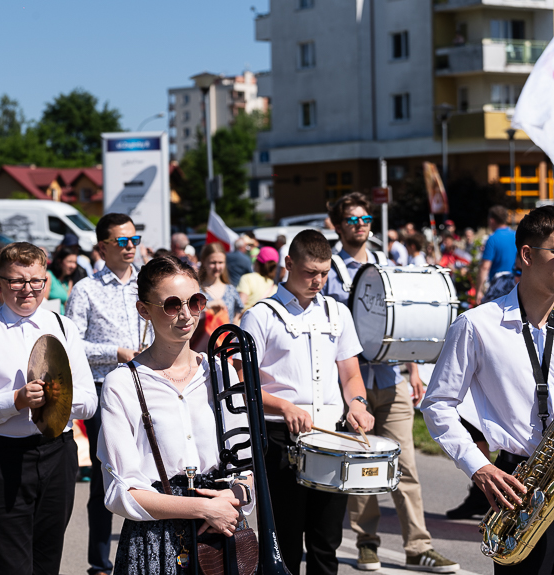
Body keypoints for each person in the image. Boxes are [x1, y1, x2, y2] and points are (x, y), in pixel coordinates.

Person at [323, 192, 459, 573]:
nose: (361, 224)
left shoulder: (386, 262)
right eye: (352, 219)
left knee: (406, 465)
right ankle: (367, 542)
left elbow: (402, 320)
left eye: (365, 217)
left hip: (391, 376)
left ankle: (419, 546)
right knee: (361, 464)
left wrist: (414, 367)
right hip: (351, 386)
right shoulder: (331, 270)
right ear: (337, 225)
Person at [97, 254, 254, 575]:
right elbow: (121, 491)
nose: (186, 314)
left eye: (195, 301)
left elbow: (249, 467)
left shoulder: (221, 372)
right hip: (156, 537)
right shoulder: (123, 383)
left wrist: (232, 497)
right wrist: (202, 508)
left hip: (222, 529)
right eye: (171, 304)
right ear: (144, 310)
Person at [421, 205, 554, 574]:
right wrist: (477, 466)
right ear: (527, 255)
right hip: (521, 487)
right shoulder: (476, 325)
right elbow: (437, 405)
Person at [236, 229, 374, 575]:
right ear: (288, 264)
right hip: (280, 438)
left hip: (330, 437)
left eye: (324, 273)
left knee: (326, 542)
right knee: (283, 542)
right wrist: (283, 406)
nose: (318, 281)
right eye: (310, 272)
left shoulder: (338, 312)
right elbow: (240, 382)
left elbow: (351, 375)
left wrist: (357, 403)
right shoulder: (260, 316)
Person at [0, 242, 97, 575]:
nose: (28, 289)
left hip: (57, 453)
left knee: (47, 562)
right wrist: (15, 400)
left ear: (46, 280)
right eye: (17, 281)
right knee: (9, 565)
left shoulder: (64, 327)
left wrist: (58, 398)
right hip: (0, 458)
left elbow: (89, 402)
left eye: (36, 281)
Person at [66, 213, 152, 575]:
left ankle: (152, 551)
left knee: (151, 469)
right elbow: (71, 345)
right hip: (105, 388)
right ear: (102, 247)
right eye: (122, 241)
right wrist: (114, 352)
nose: (130, 246)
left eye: (134, 239)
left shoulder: (147, 284)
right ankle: (100, 561)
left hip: (148, 385)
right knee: (109, 472)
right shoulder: (86, 289)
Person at [476, 205, 517, 302]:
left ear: (492, 220)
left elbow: (485, 267)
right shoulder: (516, 235)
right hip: (516, 285)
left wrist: (479, 290)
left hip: (498, 287)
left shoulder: (492, 238)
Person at [198, 242, 243, 324]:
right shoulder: (196, 289)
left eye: (220, 262)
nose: (217, 267)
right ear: (204, 262)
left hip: (226, 336)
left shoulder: (231, 290)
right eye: (213, 263)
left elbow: (238, 314)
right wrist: (208, 306)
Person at [237, 246, 279, 312]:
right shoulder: (276, 288)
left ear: (257, 263)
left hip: (244, 320)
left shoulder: (247, 278)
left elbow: (240, 306)